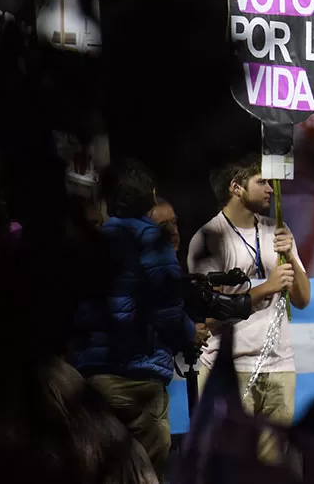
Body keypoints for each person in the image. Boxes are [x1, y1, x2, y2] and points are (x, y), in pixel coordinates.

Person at [70, 160, 198, 478]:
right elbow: (168, 311)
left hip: (93, 379)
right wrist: (190, 333)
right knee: (146, 471)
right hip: (138, 377)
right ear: (151, 197)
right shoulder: (150, 240)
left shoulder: (91, 242)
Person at [187, 157, 311, 460]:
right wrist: (266, 288)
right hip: (229, 368)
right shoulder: (208, 238)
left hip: (279, 366)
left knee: (276, 469)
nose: (271, 189)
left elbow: (303, 299)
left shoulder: (278, 230)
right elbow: (207, 316)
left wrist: (291, 259)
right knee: (230, 464)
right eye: (262, 182)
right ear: (236, 187)